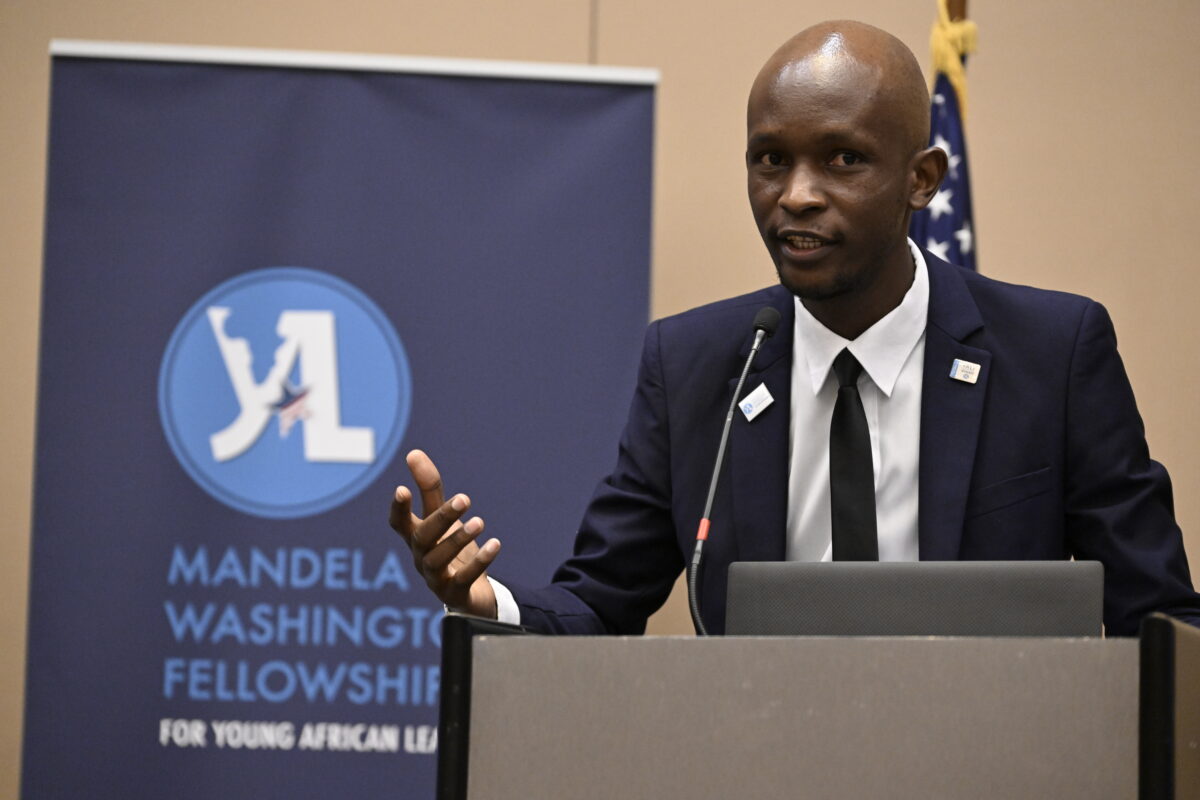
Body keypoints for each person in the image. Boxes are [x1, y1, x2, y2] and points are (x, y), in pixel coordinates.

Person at [388, 20, 1200, 636]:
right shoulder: (698, 365)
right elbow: (599, 603)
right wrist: (479, 597)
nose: (797, 195)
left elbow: (1161, 621)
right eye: (770, 160)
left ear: (921, 180)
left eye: (842, 160)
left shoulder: (1053, 354)